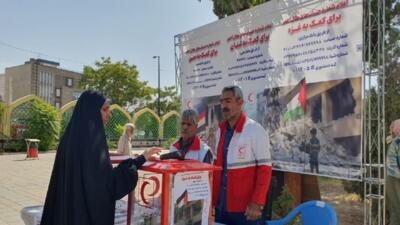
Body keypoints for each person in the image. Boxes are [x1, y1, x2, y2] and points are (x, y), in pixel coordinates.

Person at [40, 90, 160, 225]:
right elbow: (108, 185)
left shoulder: (69, 139)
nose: (110, 114)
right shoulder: (92, 142)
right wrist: (141, 159)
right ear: (91, 111)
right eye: (105, 109)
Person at [213, 85, 272, 225]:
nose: (223, 106)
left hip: (245, 210)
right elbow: (218, 168)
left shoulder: (255, 130)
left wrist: (257, 202)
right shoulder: (219, 131)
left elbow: (265, 169)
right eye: (222, 102)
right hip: (221, 206)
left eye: (228, 101)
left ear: (240, 102)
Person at [386, 119, 400, 225]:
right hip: (394, 179)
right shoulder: (394, 143)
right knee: (396, 210)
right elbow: (392, 167)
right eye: (398, 125)